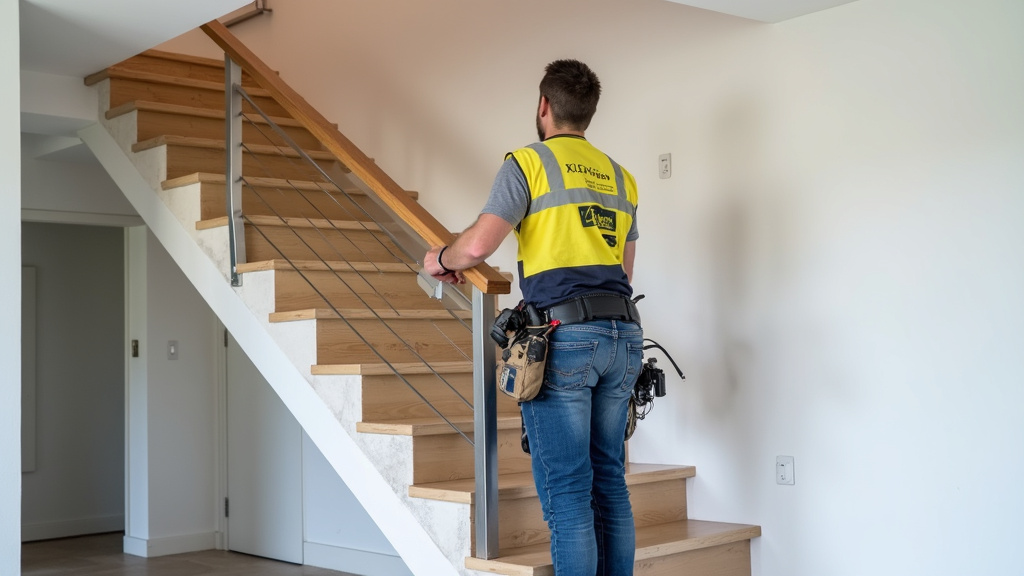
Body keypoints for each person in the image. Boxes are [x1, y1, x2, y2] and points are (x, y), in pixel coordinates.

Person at [424, 59, 642, 576]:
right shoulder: (622, 178)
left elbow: (479, 245)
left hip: (566, 339)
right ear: (588, 112)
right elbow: (624, 271)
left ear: (544, 105)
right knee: (609, 482)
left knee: (568, 492)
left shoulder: (528, 163)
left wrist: (440, 259)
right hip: (623, 336)